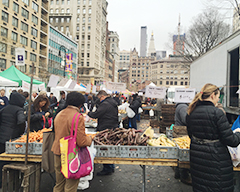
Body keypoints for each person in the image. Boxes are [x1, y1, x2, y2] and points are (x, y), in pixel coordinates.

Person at [186, 83, 240, 192]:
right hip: (216, 162)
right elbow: (232, 141)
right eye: (218, 96)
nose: (218, 100)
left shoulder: (191, 112)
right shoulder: (217, 113)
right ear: (212, 96)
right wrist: (238, 133)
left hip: (198, 160)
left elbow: (191, 135)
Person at [51, 92, 92, 192]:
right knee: (70, 186)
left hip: (57, 151)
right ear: (80, 104)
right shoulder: (78, 116)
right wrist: (90, 139)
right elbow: (81, 141)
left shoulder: (59, 114)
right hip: (71, 154)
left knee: (59, 183)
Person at [88, 90, 118, 175]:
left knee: (105, 147)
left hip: (105, 127)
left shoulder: (105, 104)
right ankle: (110, 166)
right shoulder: (112, 102)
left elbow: (96, 114)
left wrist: (89, 113)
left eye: (98, 98)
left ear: (102, 97)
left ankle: (107, 168)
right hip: (112, 126)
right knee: (109, 147)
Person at [0, 92, 26, 188]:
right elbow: (21, 122)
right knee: (13, 161)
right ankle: (14, 185)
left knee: (1, 161)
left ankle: (1, 183)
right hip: (13, 139)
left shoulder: (4, 109)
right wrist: (20, 134)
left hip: (1, 139)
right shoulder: (19, 110)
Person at [174, 103, 192, 184]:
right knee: (183, 156)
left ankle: (178, 174)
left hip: (180, 132)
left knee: (179, 155)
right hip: (182, 133)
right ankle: (184, 176)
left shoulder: (181, 106)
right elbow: (185, 119)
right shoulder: (183, 107)